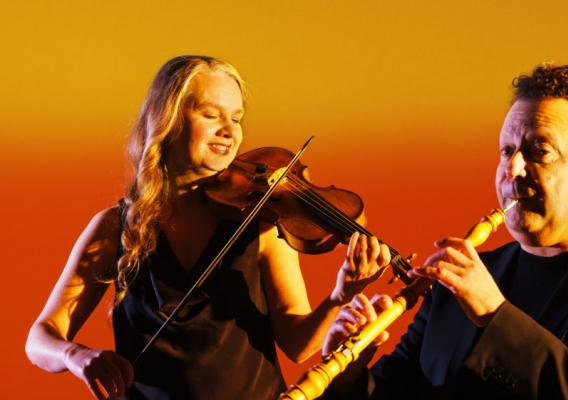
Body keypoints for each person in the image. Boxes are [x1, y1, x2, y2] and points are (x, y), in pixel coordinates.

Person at [322, 64, 568, 399]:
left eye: (539, 151)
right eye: (507, 151)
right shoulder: (458, 285)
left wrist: (496, 315)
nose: (513, 170)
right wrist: (346, 369)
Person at [25, 55, 391, 400]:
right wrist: (78, 356)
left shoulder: (262, 222)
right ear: (168, 120)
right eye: (211, 114)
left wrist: (340, 295)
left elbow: (298, 345)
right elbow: (39, 339)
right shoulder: (117, 227)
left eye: (237, 117)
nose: (229, 130)